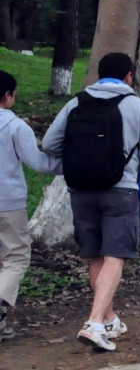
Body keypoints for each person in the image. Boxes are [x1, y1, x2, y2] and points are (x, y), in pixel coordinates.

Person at [42, 53, 140, 352]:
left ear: (100, 74)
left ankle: (109, 319)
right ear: (129, 76)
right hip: (119, 191)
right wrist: (131, 166)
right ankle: (94, 323)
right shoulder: (136, 106)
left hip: (81, 190)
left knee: (96, 255)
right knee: (115, 255)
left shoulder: (76, 103)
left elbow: (49, 145)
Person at [0, 70, 62, 342]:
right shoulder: (15, 126)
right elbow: (38, 163)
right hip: (7, 203)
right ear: (8, 95)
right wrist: (68, 163)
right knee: (15, 256)